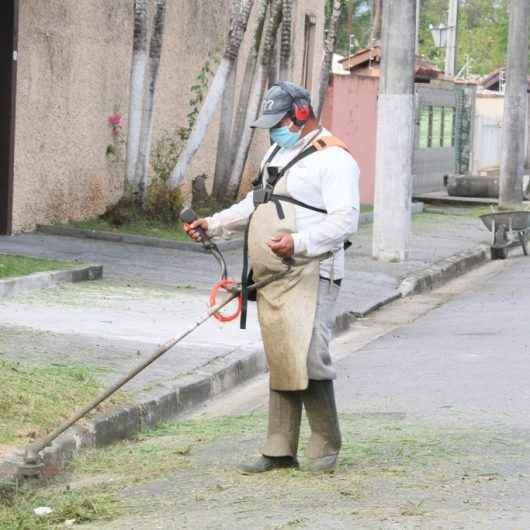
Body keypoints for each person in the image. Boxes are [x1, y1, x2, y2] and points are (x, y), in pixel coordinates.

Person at [184, 81, 360, 473]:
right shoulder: (277, 152)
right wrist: (212, 224)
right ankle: (279, 449)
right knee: (282, 354)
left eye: (278, 122)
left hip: (315, 270)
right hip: (273, 273)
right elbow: (254, 204)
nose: (273, 130)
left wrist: (299, 241)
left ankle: (326, 444)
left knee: (311, 354)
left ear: (300, 113)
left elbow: (346, 221)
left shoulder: (334, 159)